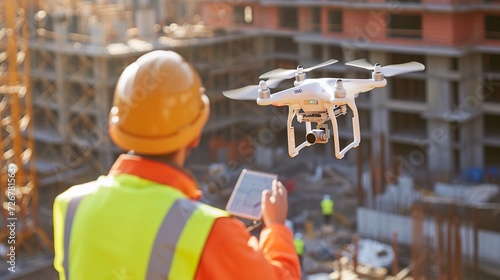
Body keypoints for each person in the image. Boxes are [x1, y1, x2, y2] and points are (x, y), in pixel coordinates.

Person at [53, 50, 300, 280]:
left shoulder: (70, 206)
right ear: (195, 135)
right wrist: (276, 228)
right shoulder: (208, 231)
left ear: (115, 129)